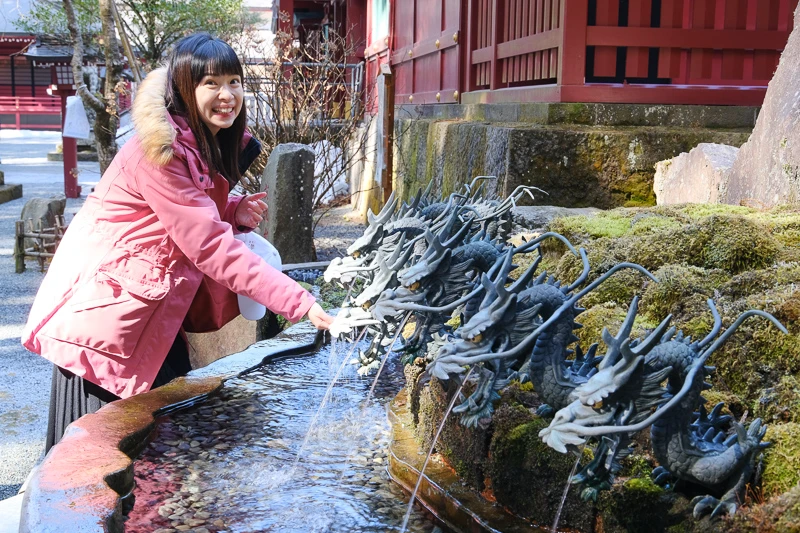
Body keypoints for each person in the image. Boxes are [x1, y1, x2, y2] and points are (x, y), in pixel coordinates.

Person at [21, 33, 334, 452]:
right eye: (211, 83)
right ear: (185, 90)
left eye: (234, 81)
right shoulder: (160, 152)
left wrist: (231, 208)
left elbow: (186, 210)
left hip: (141, 310)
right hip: (106, 324)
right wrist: (302, 303)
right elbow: (208, 245)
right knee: (96, 470)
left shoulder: (195, 141)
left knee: (156, 453)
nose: (227, 95)